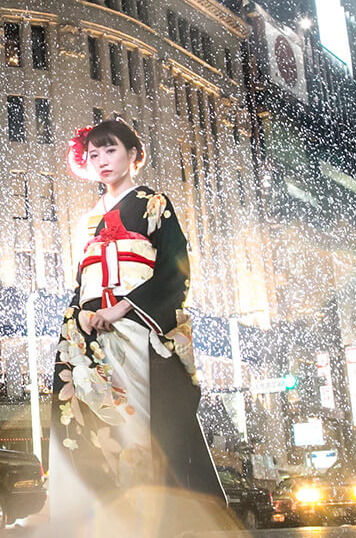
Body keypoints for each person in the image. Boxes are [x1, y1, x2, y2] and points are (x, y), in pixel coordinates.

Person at [48, 118, 225, 523]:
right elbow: (82, 282)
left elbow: (174, 273)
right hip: (90, 334)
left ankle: (161, 520)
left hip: (139, 328)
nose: (102, 160)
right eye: (93, 154)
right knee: (89, 424)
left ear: (133, 155)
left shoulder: (154, 204)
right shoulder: (87, 220)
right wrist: (83, 318)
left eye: (110, 150)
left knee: (148, 427)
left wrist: (123, 307)